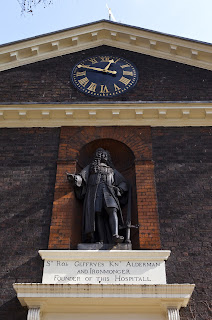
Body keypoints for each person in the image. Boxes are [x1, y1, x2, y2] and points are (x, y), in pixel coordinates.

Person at [67, 148, 128, 244]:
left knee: (112, 210)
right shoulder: (91, 167)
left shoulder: (112, 170)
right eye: (102, 154)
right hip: (95, 193)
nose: (104, 156)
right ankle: (101, 239)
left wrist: (119, 189)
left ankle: (115, 235)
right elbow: (82, 177)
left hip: (109, 192)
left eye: (106, 155)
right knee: (98, 215)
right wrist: (75, 178)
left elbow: (123, 182)